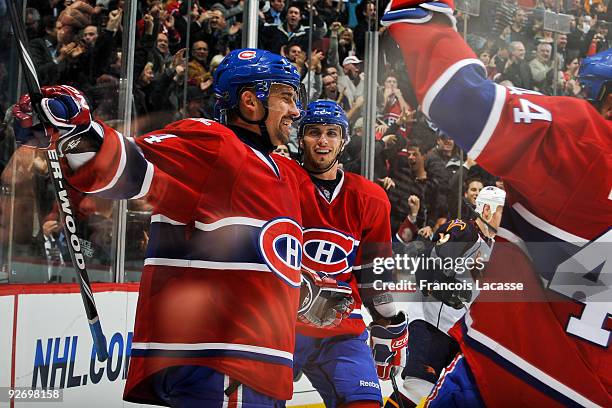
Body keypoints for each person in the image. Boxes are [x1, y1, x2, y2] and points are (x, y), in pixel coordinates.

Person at [12, 49, 354, 407]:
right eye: (286, 97)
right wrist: (76, 132)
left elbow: (247, 254)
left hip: (255, 369)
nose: (296, 111)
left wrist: (299, 289)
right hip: (222, 365)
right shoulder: (217, 144)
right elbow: (131, 168)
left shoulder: (281, 172)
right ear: (250, 101)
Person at [381, 3, 611, 407]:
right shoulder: (462, 231)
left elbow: (460, 99)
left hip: (504, 374)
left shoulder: (587, 142)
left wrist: (421, 15)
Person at [294, 100, 408, 407]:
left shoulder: (369, 198)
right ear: (299, 137)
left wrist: (389, 318)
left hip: (340, 329)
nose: (322, 141)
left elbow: (375, 271)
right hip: (281, 326)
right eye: (314, 132)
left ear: (343, 140)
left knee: (366, 403)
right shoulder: (280, 182)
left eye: (332, 133)